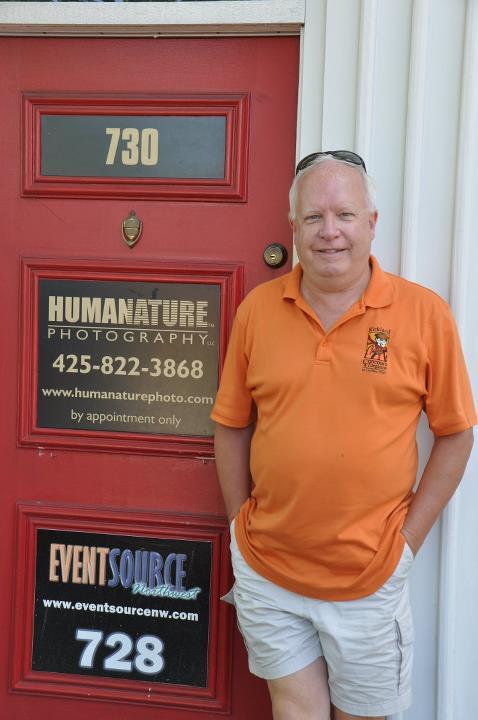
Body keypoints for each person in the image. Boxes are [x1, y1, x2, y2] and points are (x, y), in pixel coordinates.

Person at [211, 151, 476, 720]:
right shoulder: (257, 310)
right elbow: (231, 425)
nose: (330, 232)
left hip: (369, 576)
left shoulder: (424, 315)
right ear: (294, 228)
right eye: (313, 218)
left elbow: (456, 433)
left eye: (345, 215)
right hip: (269, 570)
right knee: (293, 709)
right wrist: (239, 528)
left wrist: (406, 543)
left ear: (372, 223)